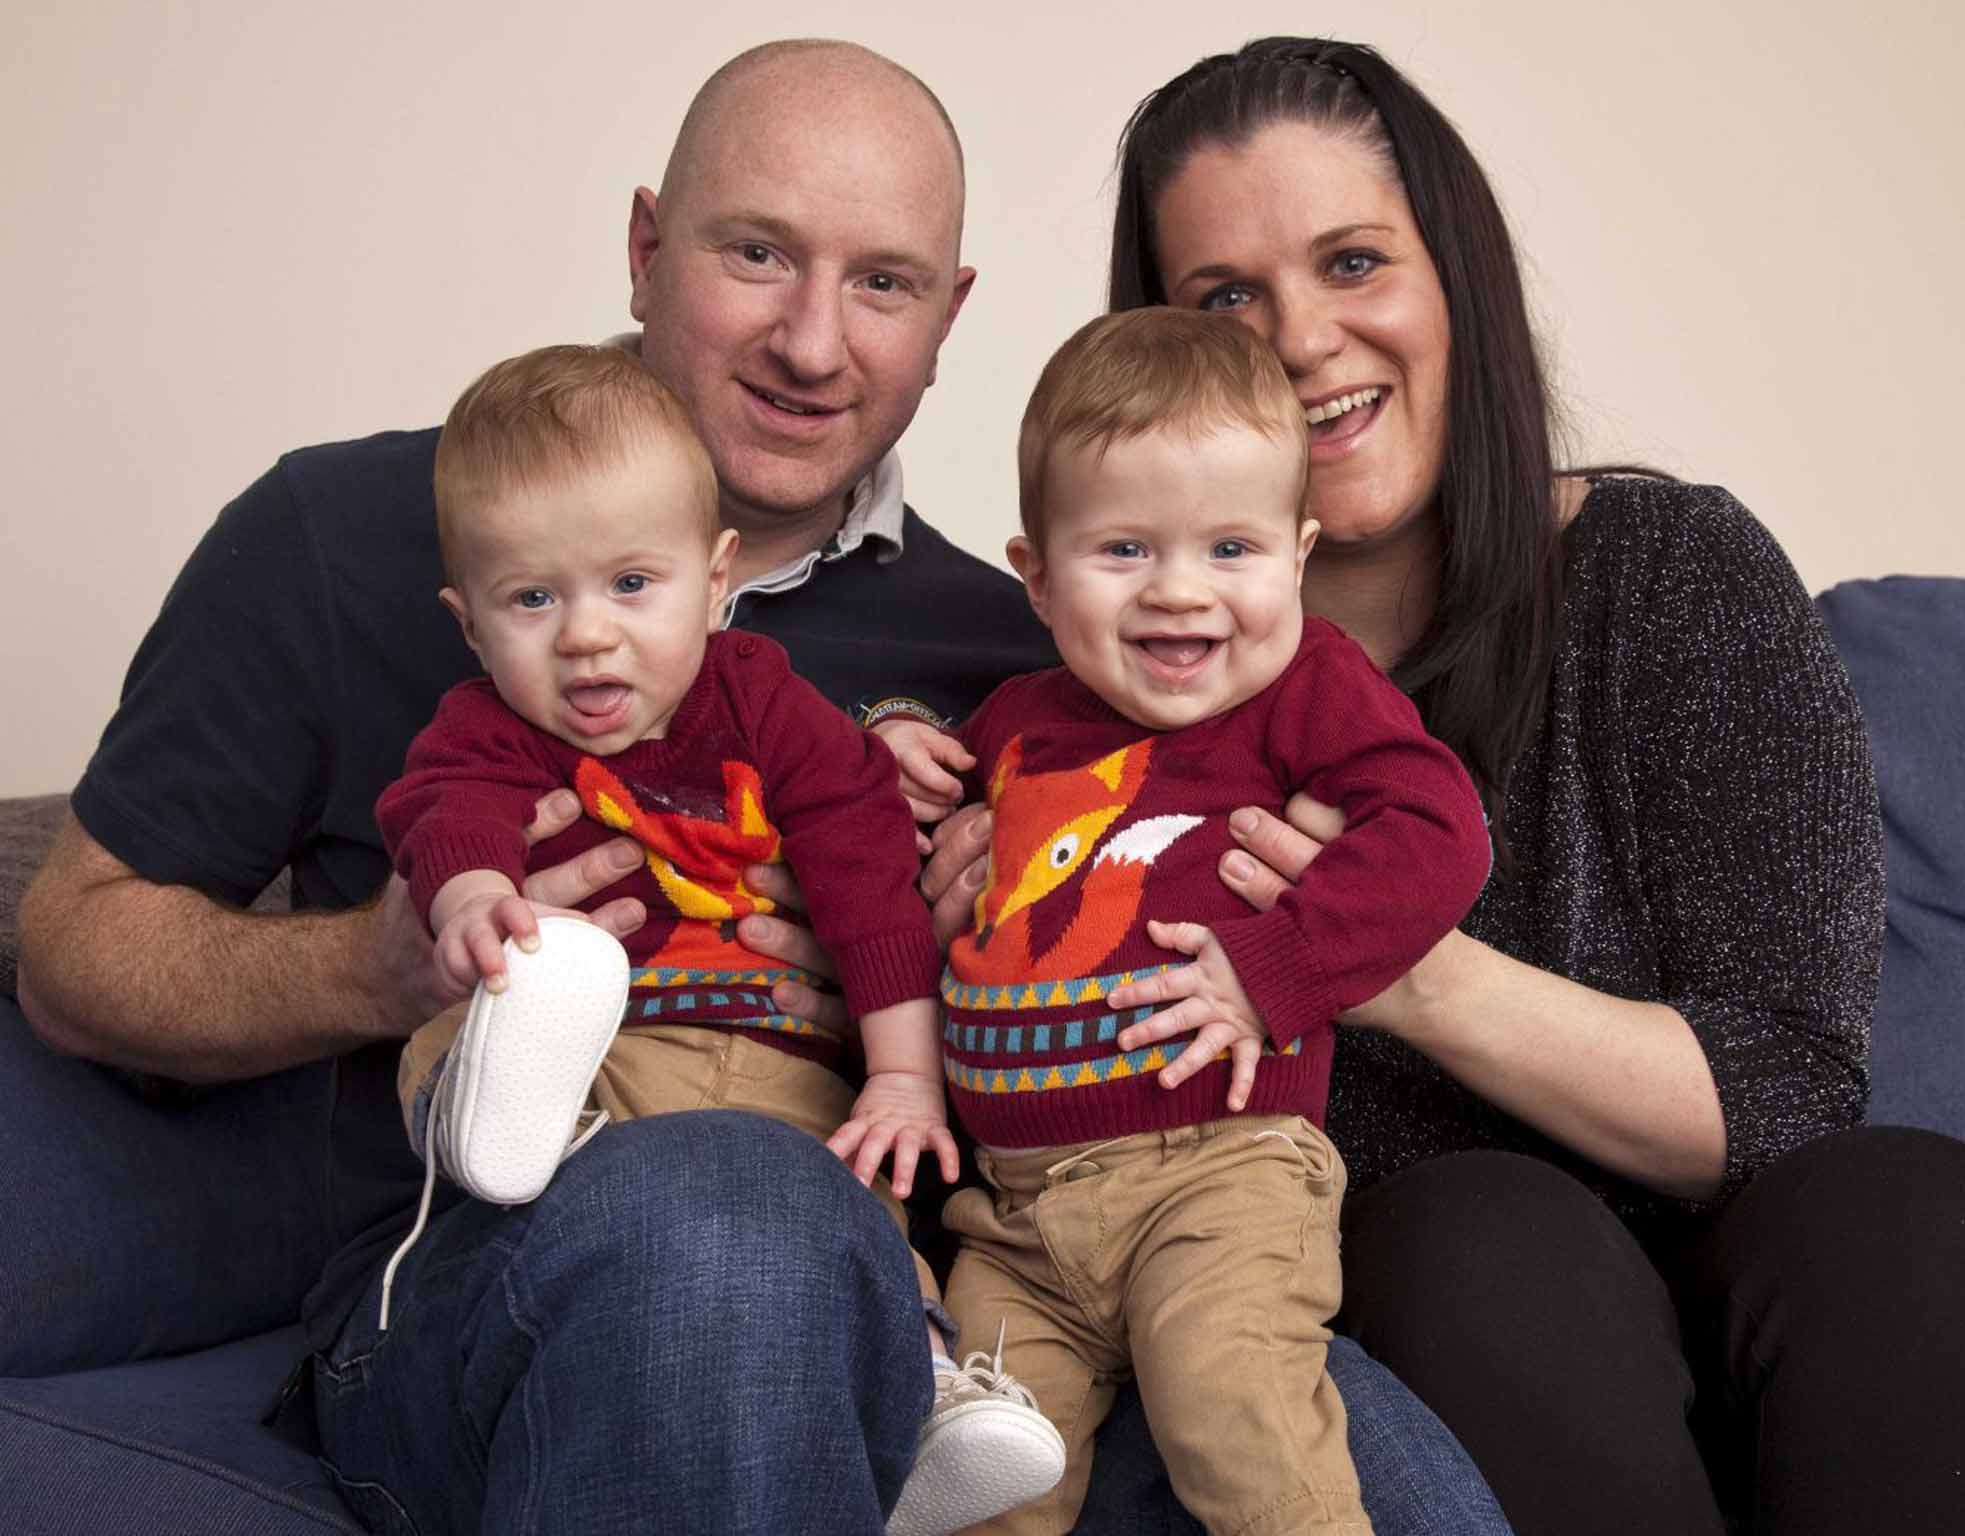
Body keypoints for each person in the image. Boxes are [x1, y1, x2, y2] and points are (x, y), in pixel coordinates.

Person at [15, 36, 1513, 1536]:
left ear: (948, 320)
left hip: (950, 1283)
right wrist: (382, 958)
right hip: (489, 1291)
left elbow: (1240, 868)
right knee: (733, 1216)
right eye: (756, 254)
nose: (814, 342)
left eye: (883, 283)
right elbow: (76, 956)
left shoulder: (1043, 645)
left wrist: (1063, 896)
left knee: (1392, 1492)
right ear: (648, 248)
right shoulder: (350, 536)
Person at [931, 33, 1965, 1536]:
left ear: (1453, 277)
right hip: (1418, 1281)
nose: (1307, 340)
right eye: (1227, 301)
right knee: (1480, 1230)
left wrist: (1393, 965)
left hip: (1746, 1257)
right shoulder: (1121, 677)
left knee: (1912, 1206)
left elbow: (1788, 1085)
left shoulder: (1674, 575)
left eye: (1351, 261)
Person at [373, 342, 1064, 1535]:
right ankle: (493, 1115)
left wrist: (902, 1075)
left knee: (838, 1209)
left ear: (713, 578)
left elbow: (859, 873)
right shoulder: (489, 727)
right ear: (470, 625)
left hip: (762, 1068)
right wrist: (472, 901)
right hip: (593, 1062)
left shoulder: (760, 703)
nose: (587, 638)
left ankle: (930, 1394)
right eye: (533, 600)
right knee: (463, 1017)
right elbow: (449, 814)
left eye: (630, 586)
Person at [879, 307, 1492, 1534]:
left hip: (1218, 1175)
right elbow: (892, 847)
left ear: (1297, 555)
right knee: (975, 1490)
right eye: (1121, 551)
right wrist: (888, 745)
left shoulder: (1306, 693)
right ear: (1036, 577)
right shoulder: (1013, 721)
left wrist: (1275, 971)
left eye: (1229, 549)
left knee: (1242, 1429)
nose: (1177, 592)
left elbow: (1439, 832)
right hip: (1012, 1224)